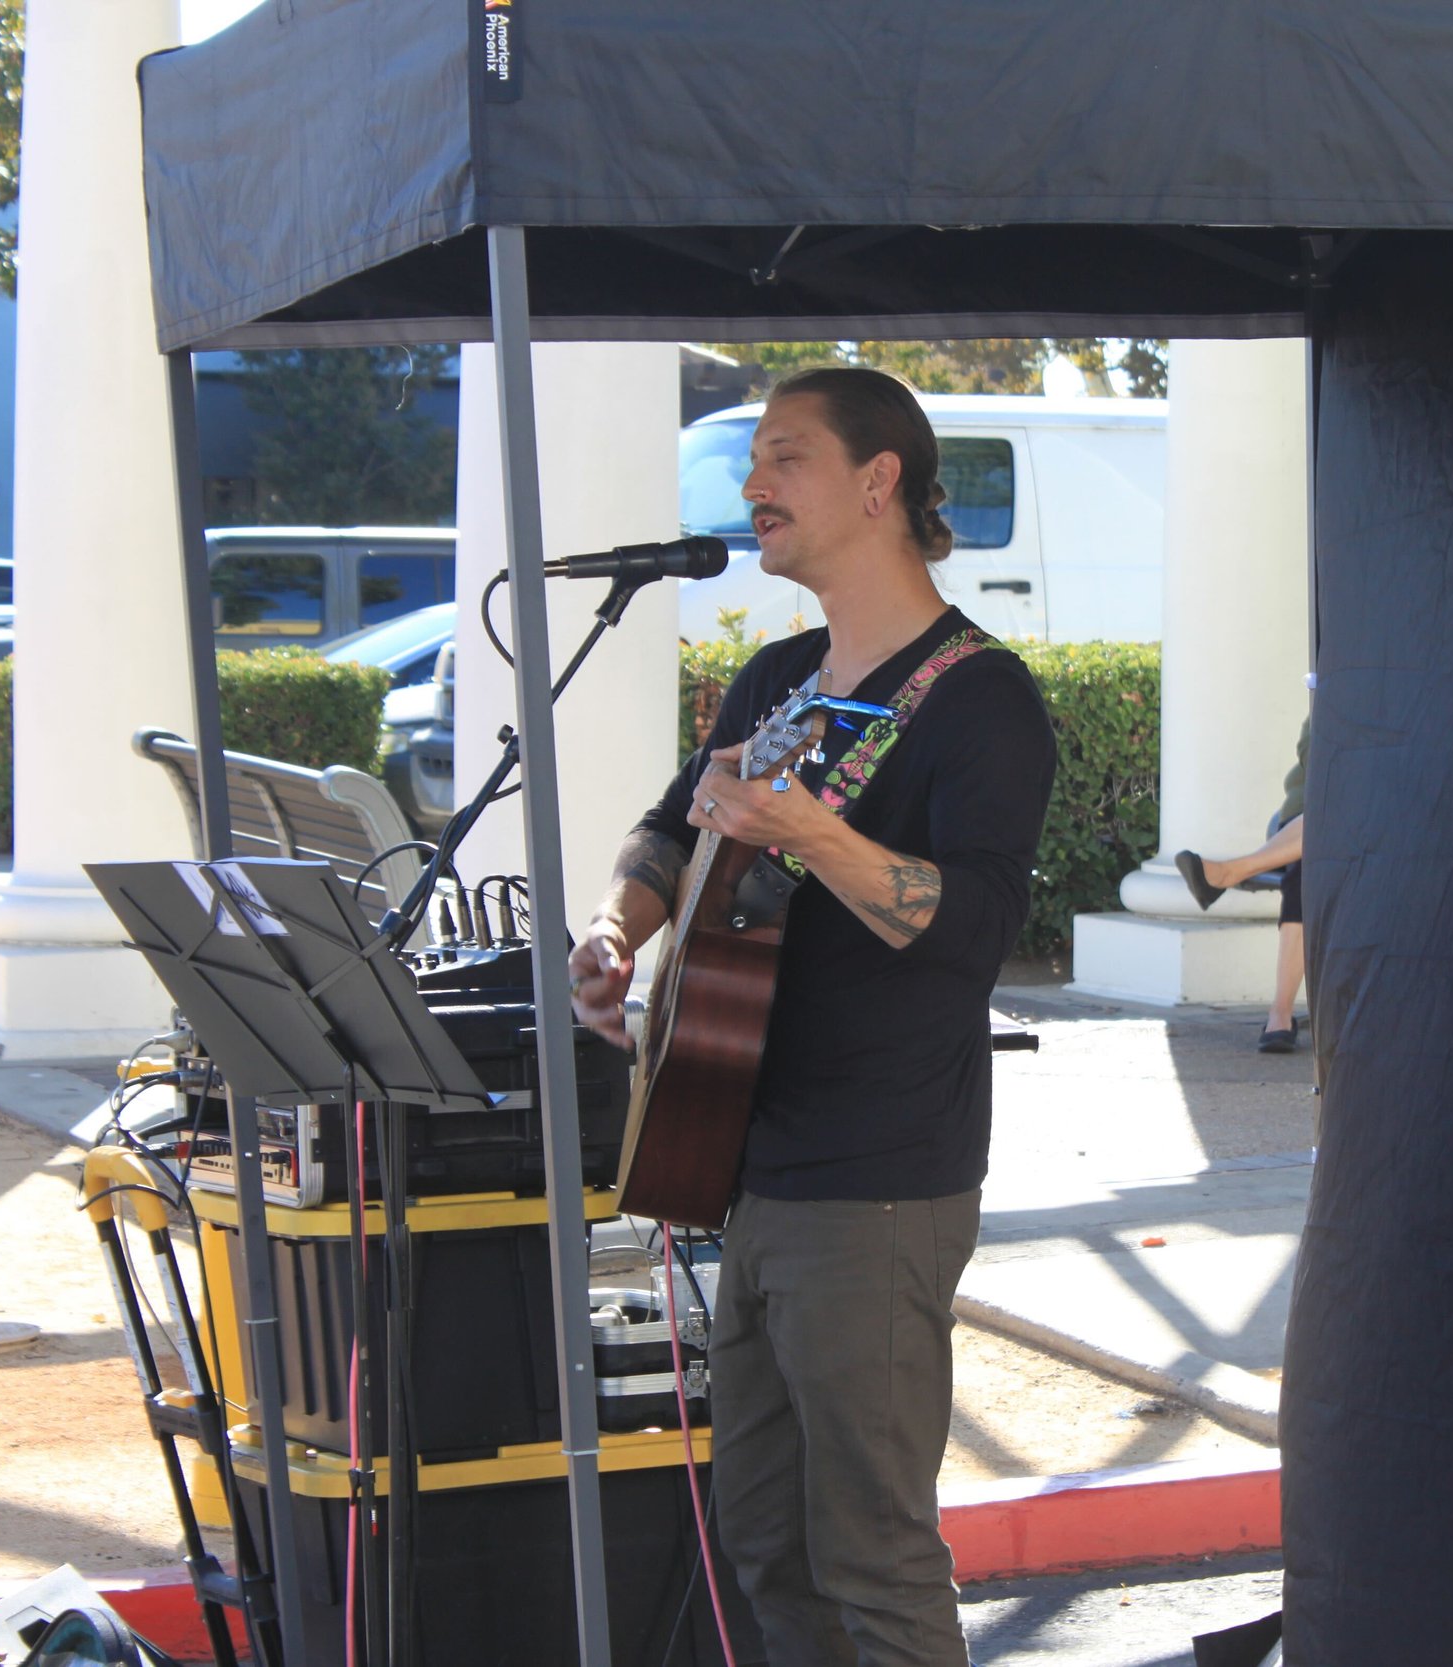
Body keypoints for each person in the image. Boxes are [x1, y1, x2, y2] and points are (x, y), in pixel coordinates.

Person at [568, 366, 1057, 1667]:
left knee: (872, 1550)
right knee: (768, 1535)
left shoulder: (977, 696)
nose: (752, 484)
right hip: (749, 1154)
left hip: (880, 1177)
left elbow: (970, 933)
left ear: (878, 481)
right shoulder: (781, 672)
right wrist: (621, 927)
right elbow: (672, 828)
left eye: (786, 456)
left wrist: (813, 833)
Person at [1174, 720, 1309, 1052]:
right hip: (1309, 817)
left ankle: (1229, 873)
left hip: (1368, 821)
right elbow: (1315, 746)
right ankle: (1280, 1012)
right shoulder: (1339, 684)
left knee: (1312, 859)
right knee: (1306, 873)